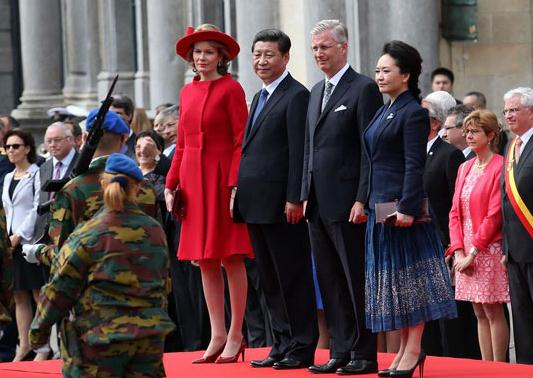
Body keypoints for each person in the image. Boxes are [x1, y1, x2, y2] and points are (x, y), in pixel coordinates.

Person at [29, 153, 175, 377]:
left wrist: (39, 329)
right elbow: (163, 283)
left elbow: (61, 286)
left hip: (100, 340)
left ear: (103, 184)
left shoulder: (89, 233)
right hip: (149, 339)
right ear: (137, 188)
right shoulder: (155, 231)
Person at [363, 41, 456, 378]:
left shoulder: (414, 112)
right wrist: (363, 200)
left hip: (402, 210)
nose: (380, 76)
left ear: (406, 74)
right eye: (377, 71)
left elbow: (414, 165)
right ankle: (403, 348)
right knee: (392, 282)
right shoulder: (381, 110)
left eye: (386, 70)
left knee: (410, 279)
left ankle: (414, 348)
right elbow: (371, 161)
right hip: (379, 208)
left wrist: (407, 207)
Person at [164, 24, 253, 364]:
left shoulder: (231, 89)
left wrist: (233, 185)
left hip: (219, 179)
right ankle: (217, 334)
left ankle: (236, 333)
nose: (202, 58)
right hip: (192, 179)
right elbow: (182, 143)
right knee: (204, 259)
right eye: (198, 52)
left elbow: (240, 141)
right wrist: (172, 184)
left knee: (230, 256)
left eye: (209, 52)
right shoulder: (188, 92)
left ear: (222, 57)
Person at [300, 19, 383, 375]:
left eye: (325, 47)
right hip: (317, 202)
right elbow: (309, 148)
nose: (319, 53)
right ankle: (340, 349)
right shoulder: (316, 90)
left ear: (343, 48)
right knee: (330, 281)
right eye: (315, 48)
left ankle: (364, 353)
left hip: (349, 201)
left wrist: (362, 198)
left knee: (353, 280)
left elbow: (369, 150)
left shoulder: (363, 88)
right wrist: (303, 192)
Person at [233, 28, 317, 370]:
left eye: (269, 55)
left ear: (285, 57)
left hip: (283, 205)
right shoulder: (258, 97)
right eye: (256, 54)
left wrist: (296, 197)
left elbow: (299, 151)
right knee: (268, 279)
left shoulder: (296, 95)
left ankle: (301, 345)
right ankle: (281, 342)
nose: (261, 61)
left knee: (292, 277)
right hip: (256, 203)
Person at [26, 110, 160, 272]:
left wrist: (38, 252)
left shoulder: (72, 189)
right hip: (140, 285)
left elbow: (63, 255)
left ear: (83, 138)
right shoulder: (144, 187)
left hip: (93, 287)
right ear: (124, 139)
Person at [447, 110, 509, 362]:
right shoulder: (464, 167)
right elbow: (454, 212)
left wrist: (473, 252)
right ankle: (486, 366)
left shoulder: (500, 165)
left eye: (474, 131)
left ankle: (499, 367)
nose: (468, 135)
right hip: (465, 249)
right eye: (467, 131)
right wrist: (458, 250)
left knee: (493, 310)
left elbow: (495, 214)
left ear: (491, 135)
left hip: (487, 248)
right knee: (478, 311)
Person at [1, 129, 45, 361]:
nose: (11, 151)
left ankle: (44, 347)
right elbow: (8, 210)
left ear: (27, 148)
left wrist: (19, 234)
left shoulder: (36, 173)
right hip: (10, 242)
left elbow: (37, 208)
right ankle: (24, 344)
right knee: (18, 295)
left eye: (15, 146)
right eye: (8, 147)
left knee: (38, 293)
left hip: (28, 241)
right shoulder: (8, 177)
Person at [501, 87, 533, 364]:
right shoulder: (512, 146)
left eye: (514, 110)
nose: (508, 115)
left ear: (531, 112)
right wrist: (506, 246)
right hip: (514, 250)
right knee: (521, 316)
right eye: (506, 111)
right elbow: (504, 200)